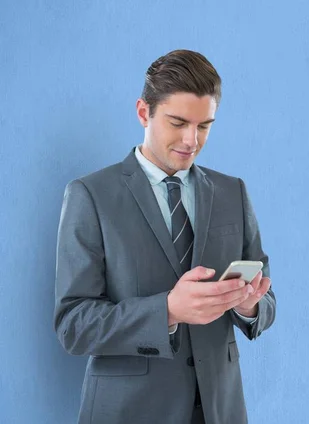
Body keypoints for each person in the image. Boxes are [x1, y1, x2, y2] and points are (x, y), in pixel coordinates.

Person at [53, 49, 276, 424]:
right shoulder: (91, 195)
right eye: (178, 122)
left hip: (220, 410)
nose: (192, 140)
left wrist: (249, 305)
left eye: (204, 125)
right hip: (130, 411)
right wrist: (168, 311)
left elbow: (266, 301)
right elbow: (73, 325)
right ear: (144, 112)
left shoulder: (232, 192)